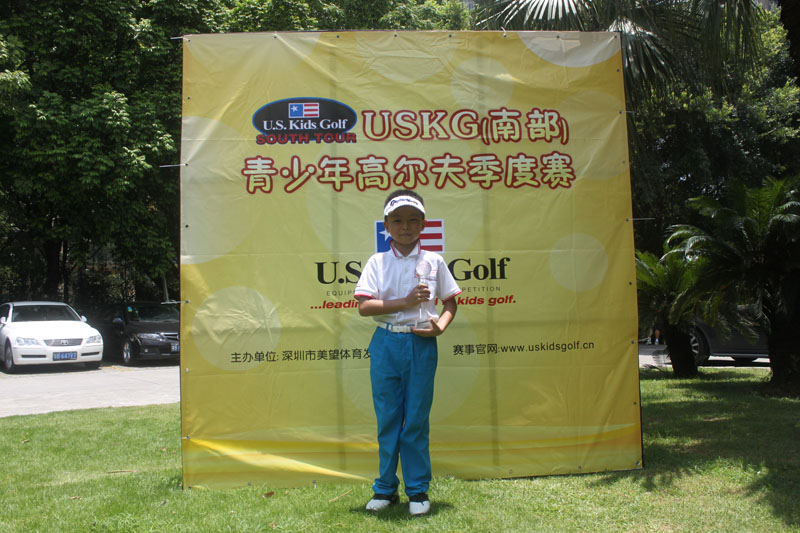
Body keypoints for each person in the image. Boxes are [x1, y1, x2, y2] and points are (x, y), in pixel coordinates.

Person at [354, 189, 461, 516]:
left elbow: (450, 302)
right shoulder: (377, 262)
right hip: (386, 342)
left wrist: (440, 327)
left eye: (413, 220)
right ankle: (385, 488)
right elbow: (364, 306)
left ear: (423, 225)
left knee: (415, 419)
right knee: (388, 418)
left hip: (421, 343)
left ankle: (417, 490)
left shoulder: (434, 260)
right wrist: (405, 301)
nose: (405, 227)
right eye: (397, 220)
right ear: (386, 224)